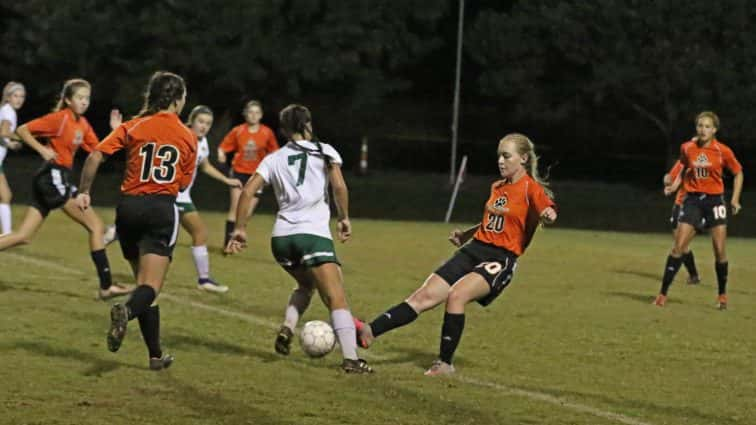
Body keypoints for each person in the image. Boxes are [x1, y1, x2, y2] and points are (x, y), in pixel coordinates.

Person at [355, 133, 557, 376]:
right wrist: (465, 236)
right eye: (499, 156)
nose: (501, 161)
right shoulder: (498, 186)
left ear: (523, 158)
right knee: (425, 295)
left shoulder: (530, 190)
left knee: (456, 296)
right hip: (474, 248)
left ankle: (445, 363)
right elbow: (491, 222)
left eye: (506, 156)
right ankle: (370, 330)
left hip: (500, 258)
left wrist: (548, 215)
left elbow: (547, 208)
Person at [225, 104, 372, 374]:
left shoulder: (274, 158)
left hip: (282, 239)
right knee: (336, 297)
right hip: (312, 236)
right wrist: (344, 218)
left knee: (306, 286)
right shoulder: (324, 150)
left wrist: (241, 229)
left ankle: (287, 327)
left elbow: (248, 192)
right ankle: (352, 360)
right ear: (308, 125)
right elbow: (339, 186)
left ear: (283, 130)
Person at [76, 71, 196, 370]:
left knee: (143, 287)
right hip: (160, 209)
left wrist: (83, 191)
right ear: (178, 100)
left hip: (128, 210)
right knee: (150, 287)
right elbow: (181, 184)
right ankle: (125, 313)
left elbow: (94, 157)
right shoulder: (187, 135)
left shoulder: (134, 125)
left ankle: (155, 356)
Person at [4, 78, 131, 300]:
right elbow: (23, 130)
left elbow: (99, 153)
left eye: (87, 98)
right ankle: (106, 286)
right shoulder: (59, 119)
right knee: (96, 227)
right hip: (51, 177)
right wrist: (42, 150)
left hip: (55, 179)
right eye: (80, 98)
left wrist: (115, 133)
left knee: (23, 236)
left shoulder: (82, 125)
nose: (84, 102)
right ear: (68, 100)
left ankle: (106, 286)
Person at [656, 111, 743, 309]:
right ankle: (662, 294)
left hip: (714, 202)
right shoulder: (687, 148)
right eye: (700, 126)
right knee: (678, 247)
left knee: (720, 251)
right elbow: (684, 168)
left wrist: (735, 199)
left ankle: (722, 295)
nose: (703, 129)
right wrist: (674, 186)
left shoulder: (722, 151)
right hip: (693, 201)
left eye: (707, 126)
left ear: (714, 130)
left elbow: (738, 173)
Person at [178, 105, 241, 292]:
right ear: (192, 120)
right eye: (201, 122)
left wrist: (226, 180)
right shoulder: (181, 137)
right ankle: (203, 280)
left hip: (182, 196)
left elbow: (205, 166)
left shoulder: (202, 142)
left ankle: (204, 280)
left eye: (208, 123)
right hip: (173, 195)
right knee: (197, 234)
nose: (204, 126)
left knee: (197, 234)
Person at [218, 100, 279, 246]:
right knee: (235, 208)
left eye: (257, 112)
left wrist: (272, 170)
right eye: (251, 112)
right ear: (245, 114)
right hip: (239, 173)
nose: (253, 115)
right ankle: (228, 244)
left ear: (261, 115)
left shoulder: (267, 132)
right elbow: (223, 147)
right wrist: (221, 154)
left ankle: (237, 239)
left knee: (247, 213)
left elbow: (275, 153)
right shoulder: (238, 131)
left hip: (257, 176)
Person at [663, 160, 701, 284]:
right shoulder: (683, 161)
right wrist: (667, 180)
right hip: (679, 205)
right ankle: (693, 276)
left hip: (694, 207)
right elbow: (671, 178)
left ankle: (674, 276)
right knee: (680, 245)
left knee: (680, 245)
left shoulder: (707, 163)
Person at [0, 82, 26, 234]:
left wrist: (10, 145)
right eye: (15, 96)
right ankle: (7, 235)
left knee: (5, 196)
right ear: (8, 97)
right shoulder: (9, 111)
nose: (19, 99)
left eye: (22, 96)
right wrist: (21, 137)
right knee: (5, 195)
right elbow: (4, 132)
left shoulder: (5, 110)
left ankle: (6, 234)